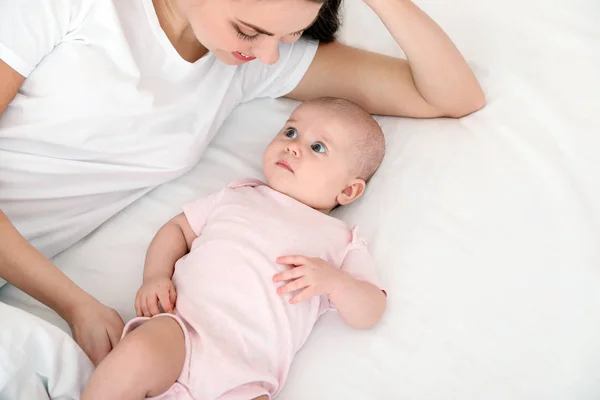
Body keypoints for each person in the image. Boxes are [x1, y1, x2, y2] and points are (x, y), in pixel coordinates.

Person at [0, 0, 484, 366]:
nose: (272, 54)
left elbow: (451, 96)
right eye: (251, 31)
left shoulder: (243, 65)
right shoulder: (69, 7)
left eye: (289, 34)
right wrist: (73, 304)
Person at [81, 97, 387, 400]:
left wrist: (336, 282)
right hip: (183, 331)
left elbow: (371, 310)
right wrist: (155, 277)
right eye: (290, 132)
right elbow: (176, 229)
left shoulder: (340, 240)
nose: (293, 146)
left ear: (348, 190)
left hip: (246, 374)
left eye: (318, 147)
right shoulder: (238, 194)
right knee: (136, 355)